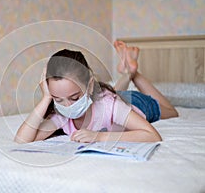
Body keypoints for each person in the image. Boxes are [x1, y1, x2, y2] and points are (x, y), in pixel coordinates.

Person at [14, 41, 178, 143]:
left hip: (135, 103)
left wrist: (99, 137)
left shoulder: (110, 105)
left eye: (74, 97)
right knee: (111, 97)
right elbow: (22, 140)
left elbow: (152, 135)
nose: (68, 106)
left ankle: (134, 74)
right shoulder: (61, 114)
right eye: (58, 99)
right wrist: (46, 98)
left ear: (90, 85)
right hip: (111, 98)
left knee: (172, 112)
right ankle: (127, 72)